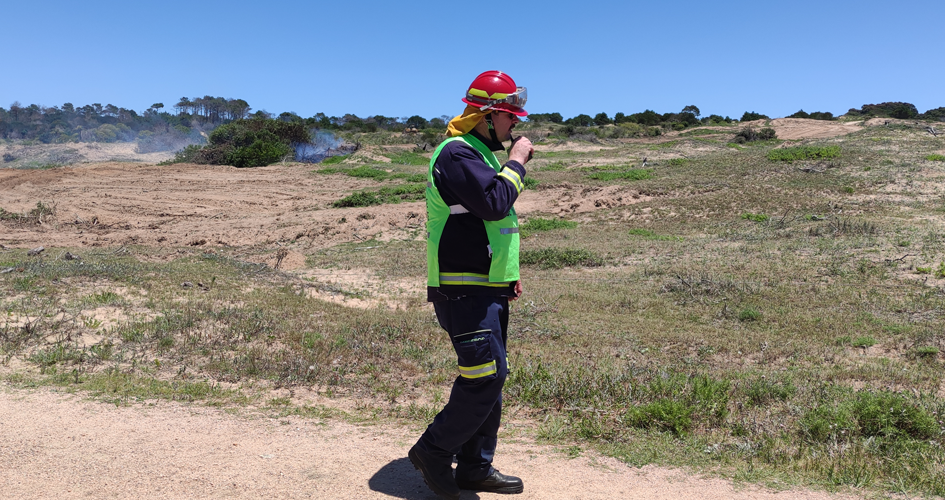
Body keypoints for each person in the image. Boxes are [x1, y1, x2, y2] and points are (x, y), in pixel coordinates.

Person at [408, 70, 533, 499]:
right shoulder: (457, 154)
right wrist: (517, 161)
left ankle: (475, 467)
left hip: (486, 289)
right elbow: (496, 204)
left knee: (492, 378)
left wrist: (506, 279)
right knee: (483, 378)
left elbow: (486, 226)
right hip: (462, 292)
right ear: (486, 114)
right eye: (510, 117)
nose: (515, 124)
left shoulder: (477, 153)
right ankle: (432, 451)